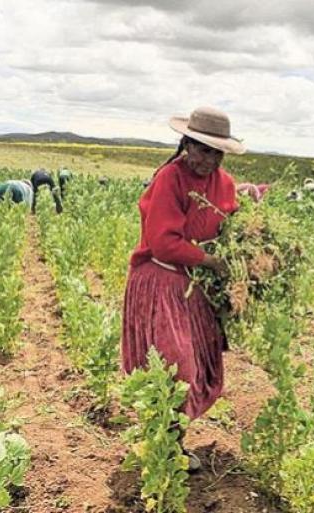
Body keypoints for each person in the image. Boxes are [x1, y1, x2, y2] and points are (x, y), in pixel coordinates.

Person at [122, 106, 245, 472]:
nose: (209, 159)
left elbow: (230, 227)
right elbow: (163, 243)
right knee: (175, 366)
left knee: (200, 365)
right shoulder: (170, 179)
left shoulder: (225, 184)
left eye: (216, 151)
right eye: (203, 149)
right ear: (187, 145)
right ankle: (167, 446)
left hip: (196, 288)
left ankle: (169, 441)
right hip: (162, 279)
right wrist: (210, 261)